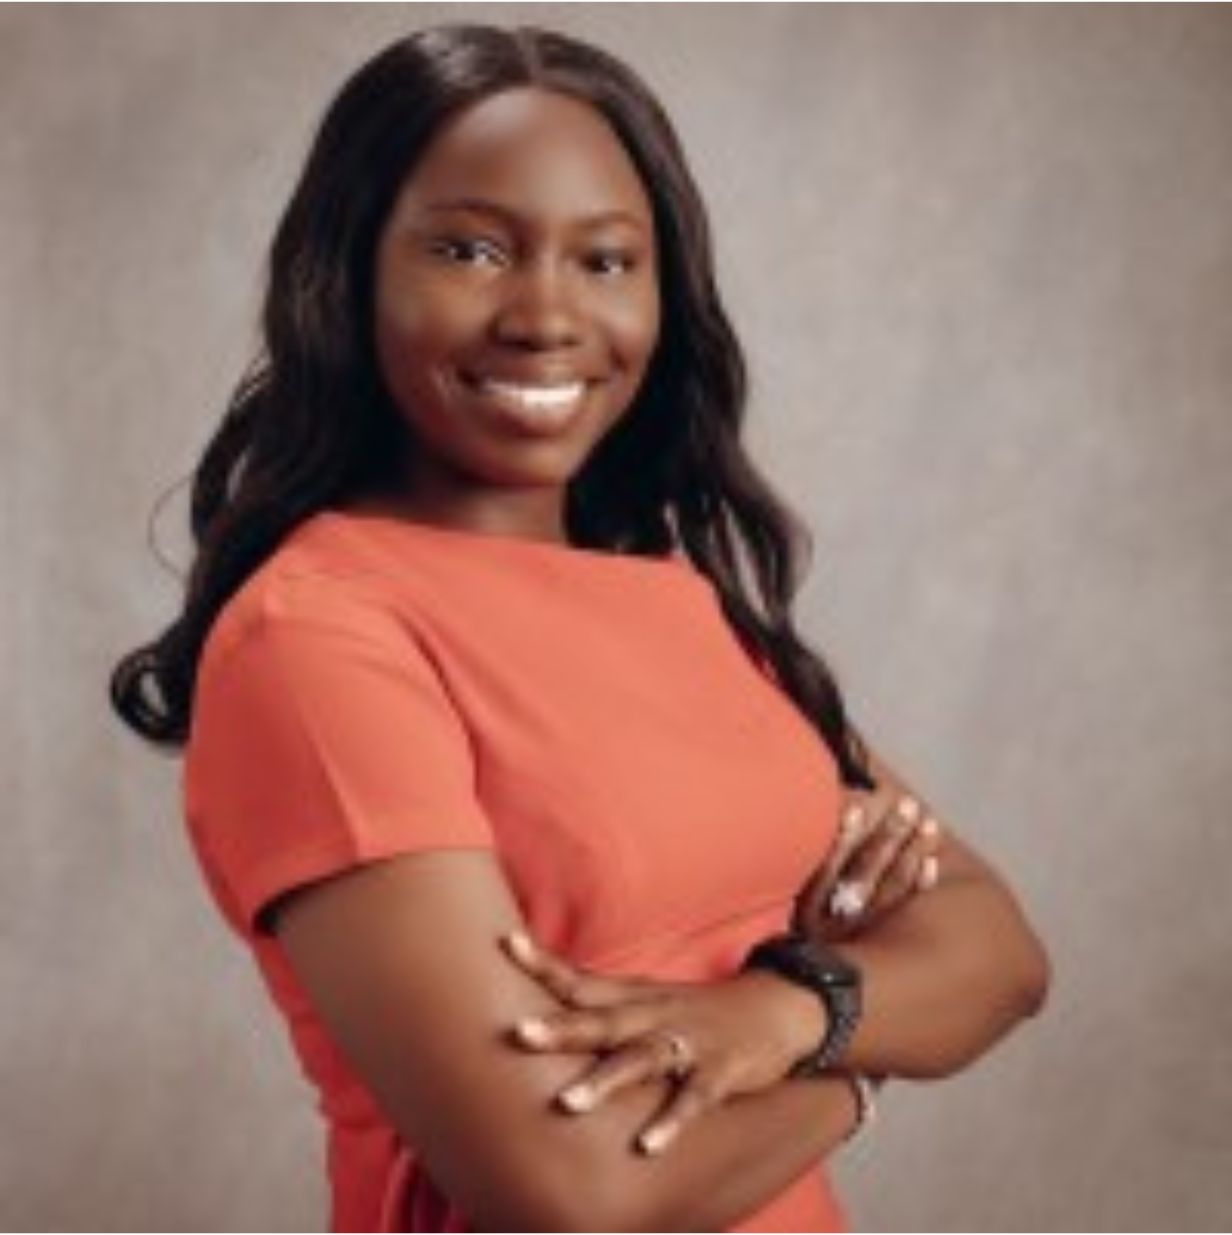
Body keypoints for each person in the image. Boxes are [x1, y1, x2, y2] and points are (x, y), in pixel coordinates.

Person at [109, 23, 1051, 1232]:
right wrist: (866, 1056)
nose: (545, 315)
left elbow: (998, 951)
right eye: (468, 249)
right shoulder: (315, 636)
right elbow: (574, 1186)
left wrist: (783, 1013)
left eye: (605, 260)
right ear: (347, 270)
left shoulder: (680, 602)